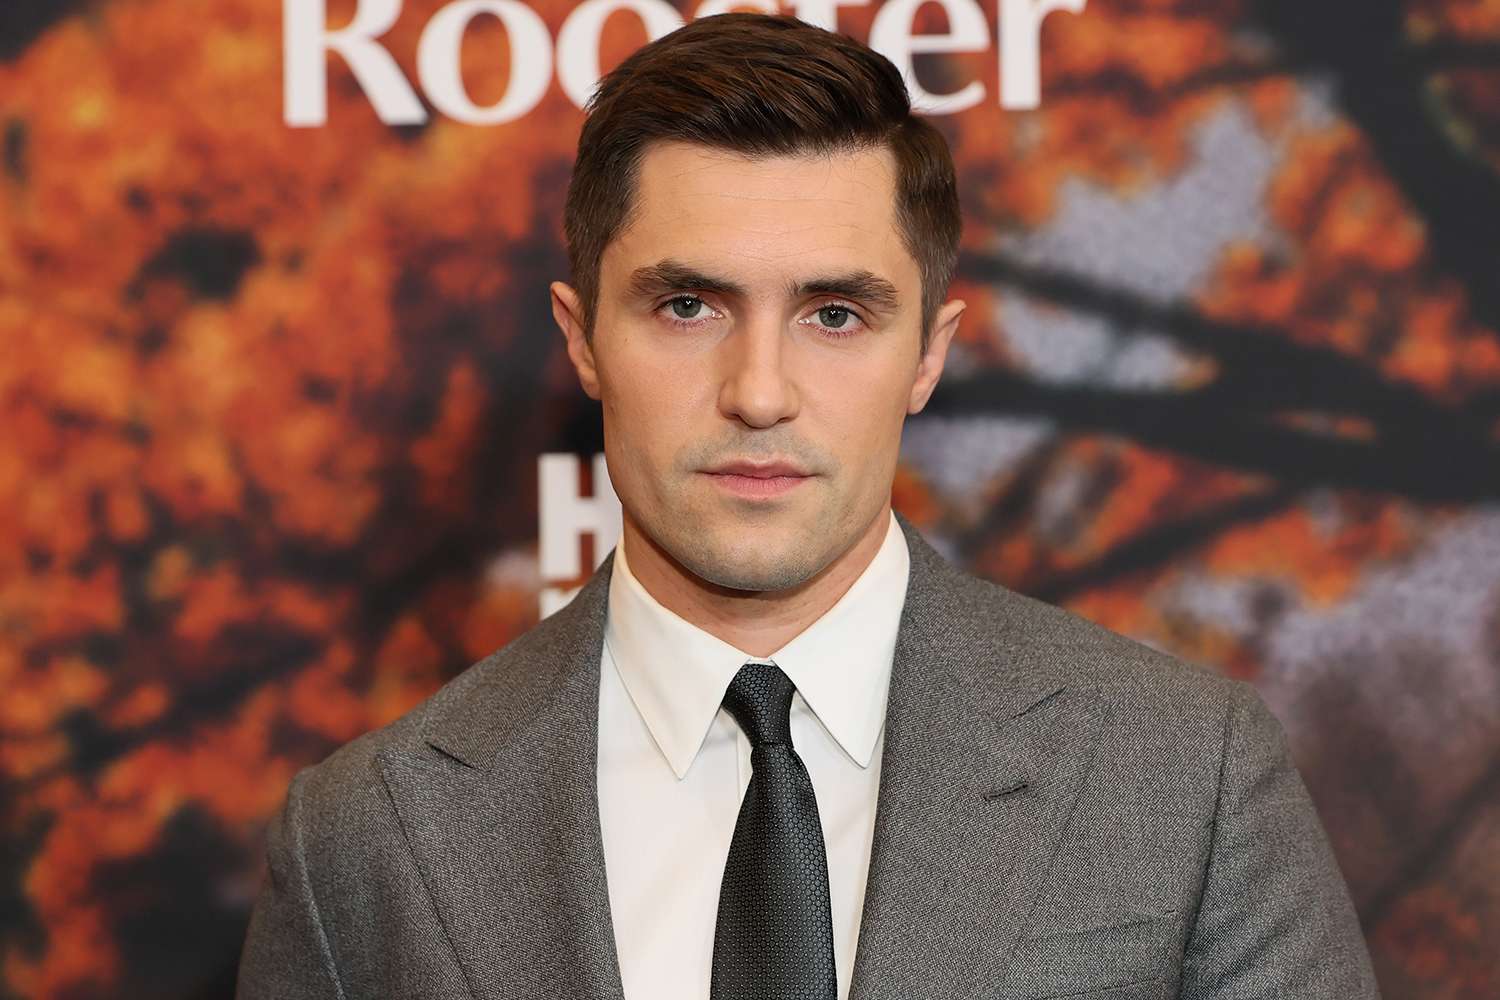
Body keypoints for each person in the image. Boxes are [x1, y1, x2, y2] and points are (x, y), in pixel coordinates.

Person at [237, 12, 1380, 1000]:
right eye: (687, 306)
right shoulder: (362, 838)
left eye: (835, 314)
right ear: (582, 340)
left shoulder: (1185, 775)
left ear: (928, 355)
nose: (759, 391)